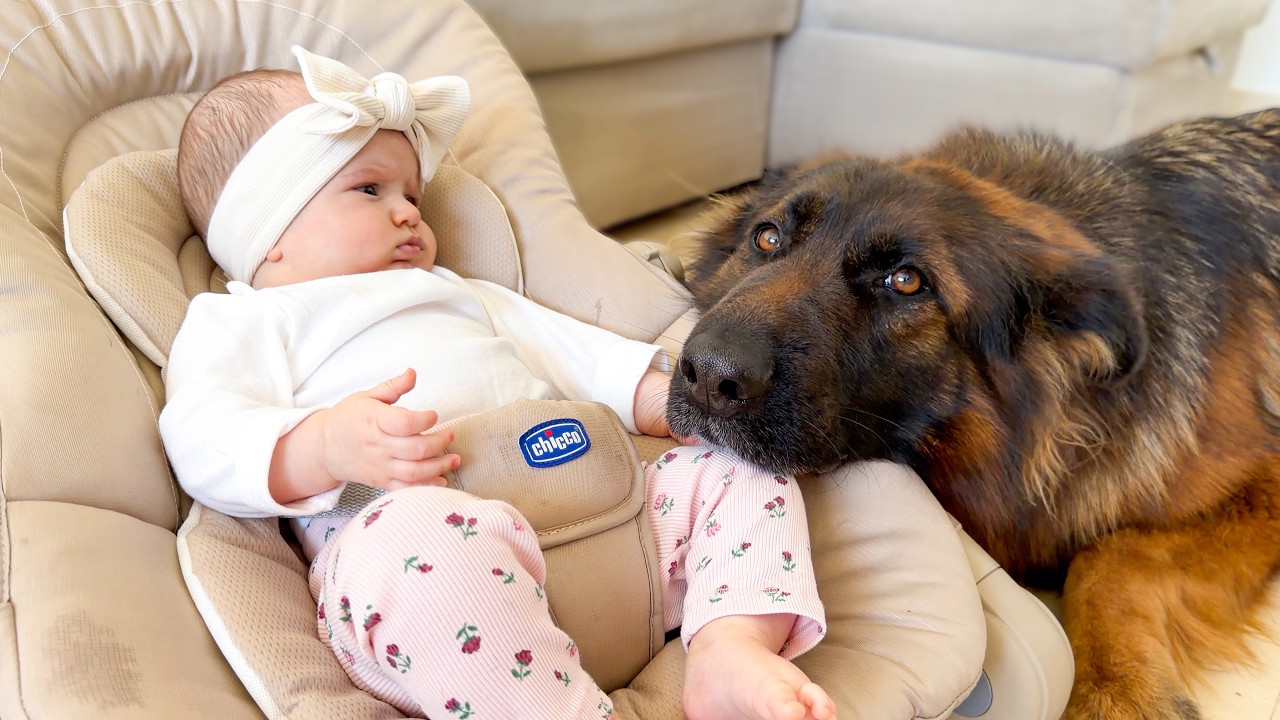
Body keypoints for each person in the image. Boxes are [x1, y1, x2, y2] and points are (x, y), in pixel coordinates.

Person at [160, 46, 834, 720]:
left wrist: (668, 401)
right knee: (411, 544)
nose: (407, 215)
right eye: (370, 189)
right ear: (267, 230)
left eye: (412, 197)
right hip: (438, 582)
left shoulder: (460, 293)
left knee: (738, 464)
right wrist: (322, 447)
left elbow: (583, 354)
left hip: (602, 522)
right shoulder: (244, 321)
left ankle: (730, 647)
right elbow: (200, 437)